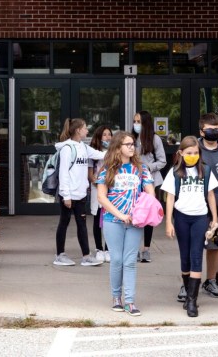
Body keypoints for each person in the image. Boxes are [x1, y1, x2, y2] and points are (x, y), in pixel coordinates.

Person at [96, 131, 156, 316]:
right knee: (117, 260)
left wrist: (139, 212)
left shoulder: (141, 168)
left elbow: (150, 194)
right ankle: (116, 297)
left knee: (130, 261)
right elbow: (101, 197)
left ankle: (130, 301)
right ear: (117, 147)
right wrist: (121, 215)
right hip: (113, 220)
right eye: (128, 144)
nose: (132, 147)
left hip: (135, 222)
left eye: (133, 144)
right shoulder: (107, 169)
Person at [162, 135, 218, 317]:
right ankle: (187, 294)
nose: (192, 155)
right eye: (189, 153)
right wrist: (168, 221)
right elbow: (170, 198)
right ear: (181, 153)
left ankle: (193, 300)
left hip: (199, 218)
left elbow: (210, 196)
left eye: (195, 152)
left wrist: (215, 219)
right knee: (184, 258)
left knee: (196, 256)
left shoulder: (206, 171)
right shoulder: (175, 172)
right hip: (181, 218)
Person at [52, 118, 106, 267]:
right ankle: (60, 255)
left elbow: (100, 155)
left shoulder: (83, 146)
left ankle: (86, 256)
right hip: (69, 195)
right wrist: (66, 195)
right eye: (84, 128)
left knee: (82, 224)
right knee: (64, 223)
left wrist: (118, 150)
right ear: (77, 130)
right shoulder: (67, 149)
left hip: (81, 194)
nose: (87, 130)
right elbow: (63, 174)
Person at [197, 113, 218, 300]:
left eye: (216, 128)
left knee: (215, 245)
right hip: (194, 207)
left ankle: (210, 280)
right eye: (210, 129)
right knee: (193, 245)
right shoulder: (194, 149)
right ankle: (189, 282)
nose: (214, 132)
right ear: (201, 131)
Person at [132, 111, 166, 263]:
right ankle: (134, 248)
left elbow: (162, 161)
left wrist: (147, 167)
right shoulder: (131, 138)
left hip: (151, 181)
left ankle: (146, 249)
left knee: (148, 214)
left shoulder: (155, 139)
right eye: (135, 121)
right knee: (135, 214)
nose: (136, 124)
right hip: (133, 181)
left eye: (139, 121)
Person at [88, 125, 113, 263]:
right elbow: (90, 175)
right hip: (98, 189)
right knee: (98, 220)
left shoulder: (115, 151)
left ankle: (108, 249)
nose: (107, 137)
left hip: (112, 189)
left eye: (109, 134)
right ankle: (99, 249)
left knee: (109, 219)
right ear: (98, 136)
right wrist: (99, 184)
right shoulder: (93, 153)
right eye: (104, 135)